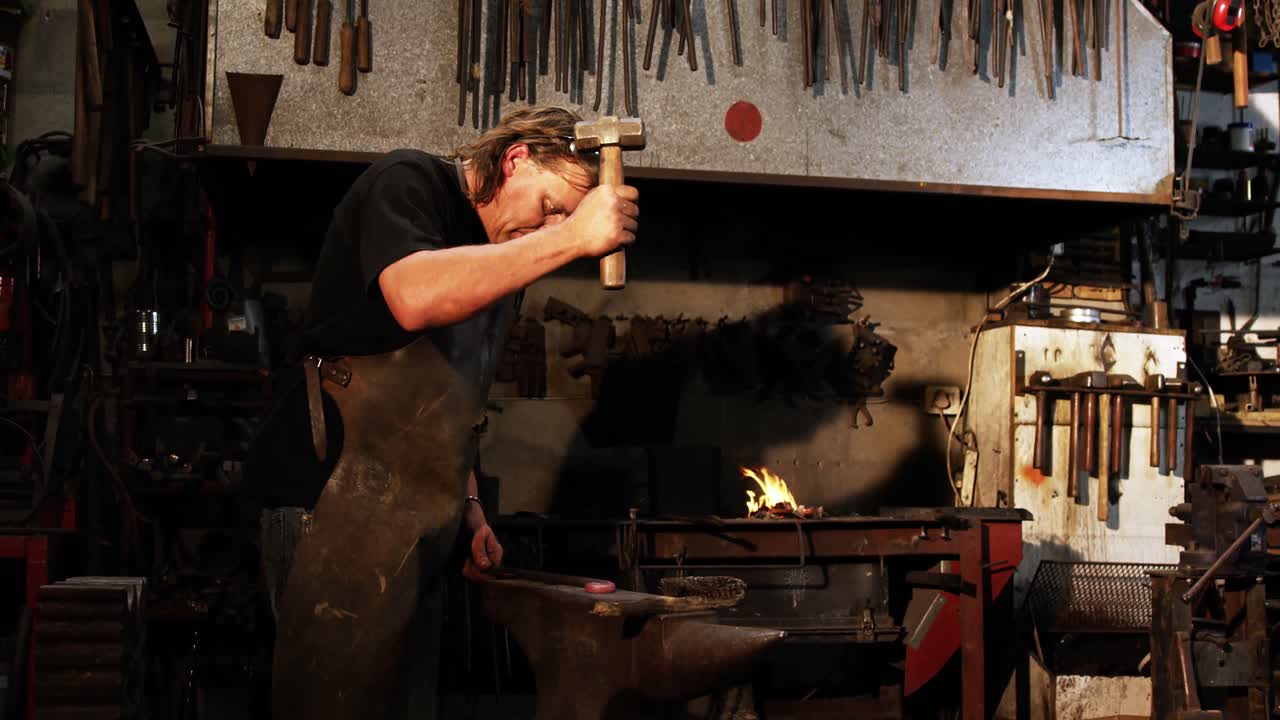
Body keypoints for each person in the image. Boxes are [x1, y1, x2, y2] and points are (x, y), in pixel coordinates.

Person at [251, 106, 639, 720]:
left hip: (414, 520)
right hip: (328, 504)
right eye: (549, 207)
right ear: (515, 160)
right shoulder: (408, 183)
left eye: (565, 220)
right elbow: (412, 297)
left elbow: (446, 396)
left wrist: (470, 507)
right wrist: (571, 237)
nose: (553, 229)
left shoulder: (499, 262)